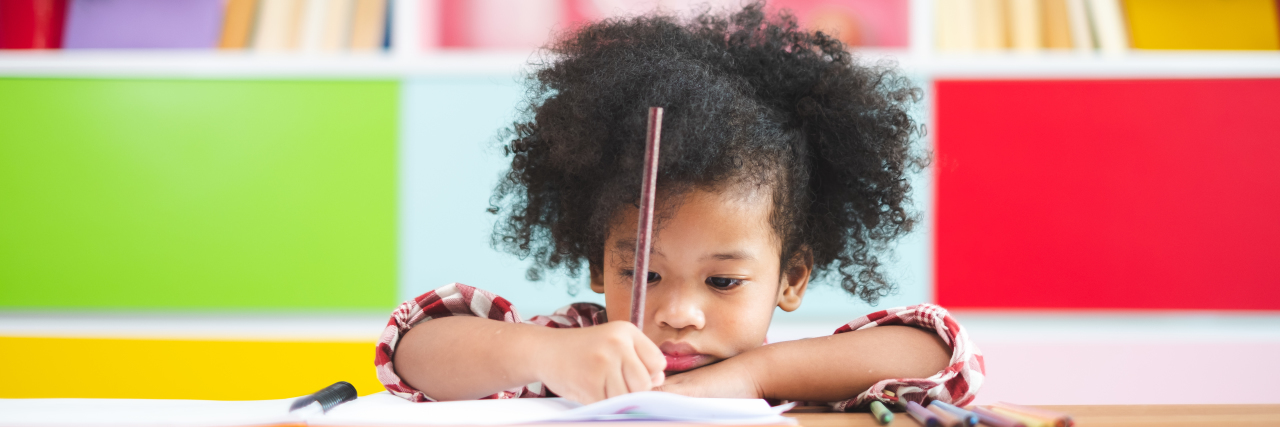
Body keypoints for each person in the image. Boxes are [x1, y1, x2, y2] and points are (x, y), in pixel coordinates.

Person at [375, 2, 983, 411]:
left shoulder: (787, 374)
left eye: (722, 281)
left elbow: (943, 355)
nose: (679, 314)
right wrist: (546, 354)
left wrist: (750, 378)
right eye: (643, 273)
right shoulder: (577, 353)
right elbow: (412, 350)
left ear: (791, 278)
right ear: (597, 263)